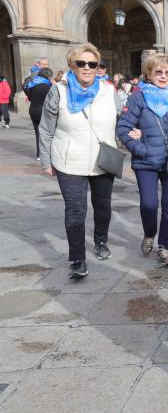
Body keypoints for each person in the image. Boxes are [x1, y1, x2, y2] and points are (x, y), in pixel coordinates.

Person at [38, 43, 118, 279]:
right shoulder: (58, 91)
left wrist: (134, 132)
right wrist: (46, 160)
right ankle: (77, 259)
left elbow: (124, 118)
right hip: (68, 160)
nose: (86, 68)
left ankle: (101, 241)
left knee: (103, 208)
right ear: (72, 65)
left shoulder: (108, 90)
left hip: (103, 160)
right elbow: (46, 128)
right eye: (81, 63)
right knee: (76, 211)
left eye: (92, 64)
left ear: (98, 67)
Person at [117, 54, 168, 265]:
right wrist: (141, 149)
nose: (163, 76)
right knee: (149, 204)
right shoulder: (138, 98)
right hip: (146, 162)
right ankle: (149, 233)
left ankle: (164, 247)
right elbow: (123, 128)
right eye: (158, 72)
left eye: (167, 73)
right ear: (149, 74)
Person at [25, 68, 54, 159]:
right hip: (43, 111)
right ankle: (48, 154)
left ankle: (39, 154)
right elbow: (53, 100)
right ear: (48, 76)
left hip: (33, 110)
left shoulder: (32, 84)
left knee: (38, 133)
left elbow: (29, 98)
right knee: (47, 133)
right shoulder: (47, 86)